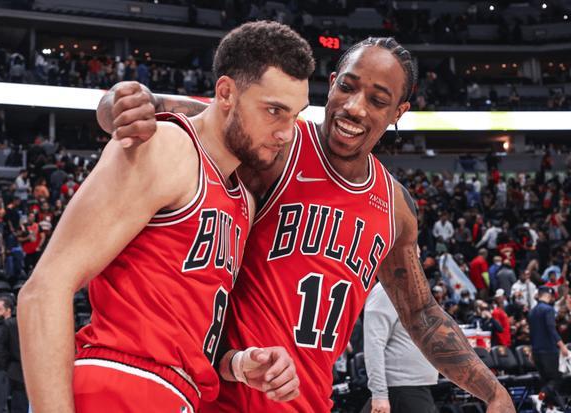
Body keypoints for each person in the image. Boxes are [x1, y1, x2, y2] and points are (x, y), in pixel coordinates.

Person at [103, 36, 514, 412]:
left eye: (377, 100)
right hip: (226, 396)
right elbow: (194, 115)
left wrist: (493, 392)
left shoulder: (395, 207)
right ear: (331, 85)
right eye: (347, 87)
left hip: (310, 401)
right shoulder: (278, 145)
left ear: (398, 113)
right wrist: (126, 103)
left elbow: (420, 312)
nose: (354, 107)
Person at [18, 21, 314, 413]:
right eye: (274, 111)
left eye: (295, 115)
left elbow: (183, 337)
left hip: (178, 393)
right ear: (226, 93)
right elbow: (43, 290)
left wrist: (238, 364)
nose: (286, 133)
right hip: (123, 383)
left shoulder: (243, 199)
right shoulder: (166, 146)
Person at [361, 282, 438, 413]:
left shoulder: (410, 288)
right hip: (402, 388)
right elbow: (374, 345)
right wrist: (380, 394)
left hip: (413, 387)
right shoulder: (387, 290)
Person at [528, 286, 568, 409]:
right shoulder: (548, 309)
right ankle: (540, 397)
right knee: (556, 379)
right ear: (547, 295)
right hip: (548, 351)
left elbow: (532, 333)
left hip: (537, 352)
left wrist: (531, 351)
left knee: (546, 381)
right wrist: (562, 346)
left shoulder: (532, 311)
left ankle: (550, 408)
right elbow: (551, 329)